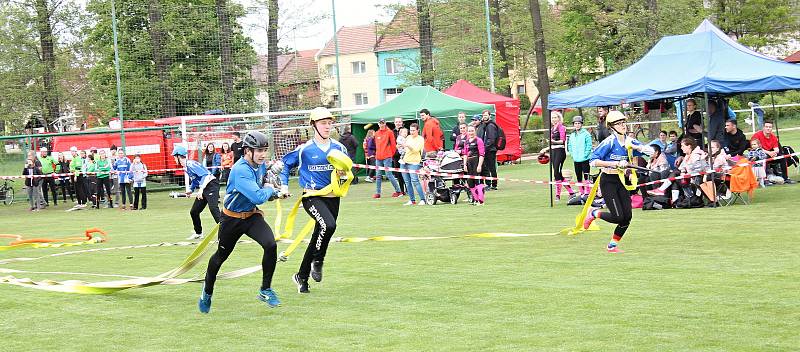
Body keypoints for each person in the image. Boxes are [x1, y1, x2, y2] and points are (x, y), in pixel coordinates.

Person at [197, 131, 282, 313]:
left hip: (251, 216)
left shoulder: (259, 165)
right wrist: (270, 190)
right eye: (259, 150)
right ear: (247, 151)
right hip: (232, 220)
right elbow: (258, 196)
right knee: (220, 257)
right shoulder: (240, 170)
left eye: (265, 150)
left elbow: (263, 190)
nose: (263, 154)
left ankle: (265, 290)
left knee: (270, 245)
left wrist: (275, 192)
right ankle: (207, 291)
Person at [280, 107, 350, 294]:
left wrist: (343, 175)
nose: (327, 127)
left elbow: (347, 172)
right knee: (329, 226)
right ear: (314, 125)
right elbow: (285, 165)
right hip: (312, 197)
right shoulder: (304, 149)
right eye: (323, 123)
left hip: (333, 198)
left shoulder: (339, 148)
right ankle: (318, 261)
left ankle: (301, 277)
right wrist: (284, 186)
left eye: (329, 123)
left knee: (319, 235)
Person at [583, 111, 654, 253]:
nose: (623, 125)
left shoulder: (630, 141)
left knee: (627, 217)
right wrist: (613, 164)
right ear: (612, 126)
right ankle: (594, 213)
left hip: (622, 181)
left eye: (623, 122)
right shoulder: (609, 142)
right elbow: (592, 161)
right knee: (617, 217)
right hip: (608, 181)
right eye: (618, 123)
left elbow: (651, 152)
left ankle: (612, 246)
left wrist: (636, 147)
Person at [172, 144, 221, 240]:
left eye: (174, 157)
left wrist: (201, 189)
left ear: (178, 156)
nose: (174, 159)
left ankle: (226, 233)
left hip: (211, 185)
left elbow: (205, 176)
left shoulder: (191, 164)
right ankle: (198, 233)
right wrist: (190, 190)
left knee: (213, 209)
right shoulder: (186, 167)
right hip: (204, 187)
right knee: (194, 212)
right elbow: (195, 179)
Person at [373, 118, 402, 198]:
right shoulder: (377, 133)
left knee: (388, 174)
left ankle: (398, 191)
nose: (381, 125)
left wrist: (391, 155)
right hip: (378, 157)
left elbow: (393, 144)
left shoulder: (389, 132)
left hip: (387, 156)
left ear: (385, 123)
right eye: (380, 123)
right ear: (378, 124)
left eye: (383, 123)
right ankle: (378, 193)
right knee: (378, 175)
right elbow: (376, 145)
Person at [544, 111, 568, 201]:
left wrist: (552, 142)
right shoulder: (552, 128)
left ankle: (558, 194)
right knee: (557, 173)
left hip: (560, 151)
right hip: (553, 151)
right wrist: (545, 149)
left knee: (556, 173)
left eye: (555, 117)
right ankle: (571, 192)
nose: (554, 119)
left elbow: (562, 141)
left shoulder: (561, 127)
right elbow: (551, 143)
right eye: (552, 118)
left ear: (559, 118)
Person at [401, 124, 426, 205]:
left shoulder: (420, 139)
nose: (411, 132)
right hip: (404, 161)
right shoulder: (408, 137)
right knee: (407, 182)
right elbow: (404, 147)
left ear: (417, 130)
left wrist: (408, 146)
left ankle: (423, 199)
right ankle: (412, 200)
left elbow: (416, 150)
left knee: (415, 181)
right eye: (410, 130)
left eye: (413, 130)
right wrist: (401, 146)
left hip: (414, 162)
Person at [567, 116, 593, 196]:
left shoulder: (586, 134)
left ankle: (587, 191)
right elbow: (569, 145)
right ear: (573, 124)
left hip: (585, 159)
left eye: (579, 123)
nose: (577, 125)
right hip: (576, 159)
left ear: (581, 124)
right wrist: (572, 154)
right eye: (575, 123)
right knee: (578, 177)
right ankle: (581, 192)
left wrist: (585, 155)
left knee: (586, 176)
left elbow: (589, 145)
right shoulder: (572, 135)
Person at [461, 125, 486, 205]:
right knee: (470, 182)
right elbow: (465, 154)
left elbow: (482, 154)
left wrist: (479, 165)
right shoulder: (466, 141)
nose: (471, 132)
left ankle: (481, 200)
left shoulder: (479, 140)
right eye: (469, 131)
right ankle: (475, 199)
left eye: (472, 131)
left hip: (477, 161)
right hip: (469, 163)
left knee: (477, 180)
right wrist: (465, 164)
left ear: (475, 131)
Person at [477, 110, 499, 190]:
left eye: (486, 115)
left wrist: (484, 148)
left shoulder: (491, 126)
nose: (484, 117)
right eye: (483, 115)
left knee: (491, 168)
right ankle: (490, 184)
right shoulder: (485, 125)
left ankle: (494, 185)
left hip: (490, 150)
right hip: (487, 149)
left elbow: (491, 139)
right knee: (487, 168)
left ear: (489, 116)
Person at [391, 116, 406, 195]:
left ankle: (407, 189)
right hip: (396, 155)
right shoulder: (392, 132)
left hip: (405, 155)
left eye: (399, 121)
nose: (398, 123)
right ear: (394, 123)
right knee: (398, 173)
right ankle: (401, 191)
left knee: (406, 173)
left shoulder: (406, 131)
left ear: (402, 122)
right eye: (396, 122)